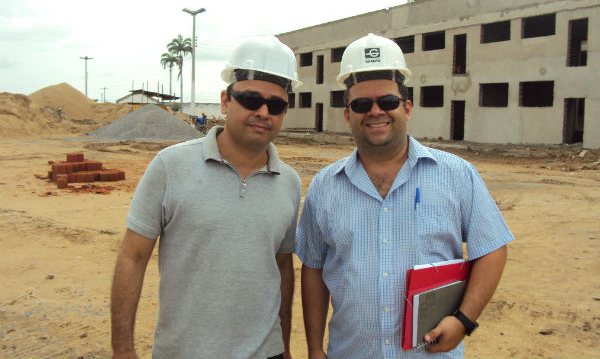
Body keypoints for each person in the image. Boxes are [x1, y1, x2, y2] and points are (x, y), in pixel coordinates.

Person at [295, 33, 514, 359]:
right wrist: (314, 349)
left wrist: (464, 320)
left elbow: (492, 249)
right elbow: (313, 268)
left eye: (387, 102)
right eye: (361, 104)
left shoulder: (457, 174)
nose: (375, 111)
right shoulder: (325, 186)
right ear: (347, 115)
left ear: (407, 107)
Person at [111, 35, 303, 359]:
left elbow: (283, 269)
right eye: (251, 99)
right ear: (226, 101)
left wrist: (283, 347)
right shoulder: (170, 166)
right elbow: (132, 257)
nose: (263, 112)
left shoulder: (290, 183)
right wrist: (122, 350)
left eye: (276, 105)